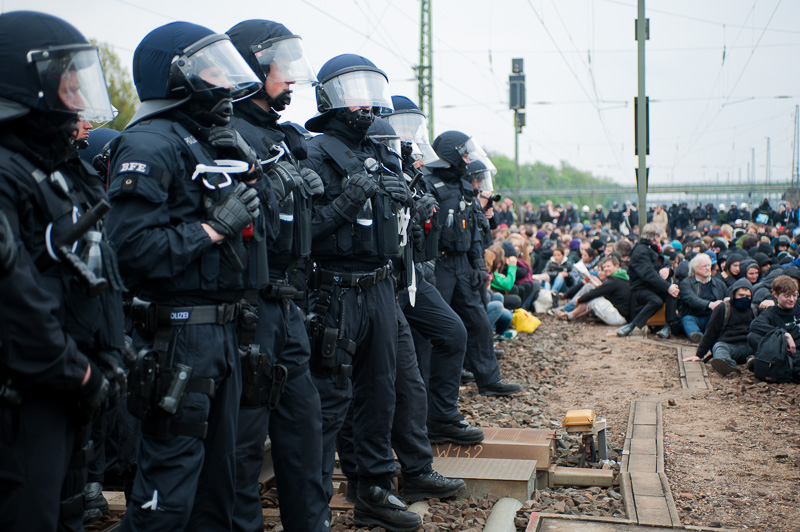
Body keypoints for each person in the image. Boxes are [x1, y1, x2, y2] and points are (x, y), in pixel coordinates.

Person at [106, 22, 264, 532]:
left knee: (217, 491)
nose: (225, 81)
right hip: (178, 335)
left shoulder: (204, 142)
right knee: (168, 495)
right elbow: (127, 251)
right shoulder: (148, 144)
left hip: (222, 331)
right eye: (212, 68)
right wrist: (212, 228)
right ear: (176, 76)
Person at [0, 11, 125, 531]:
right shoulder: (8, 172)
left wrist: (112, 353)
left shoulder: (48, 171)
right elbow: (14, 294)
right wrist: (78, 370)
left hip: (63, 390)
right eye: (66, 81)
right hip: (24, 398)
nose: (76, 95)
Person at [302, 53, 422, 531]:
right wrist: (349, 199)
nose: (369, 105)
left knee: (380, 394)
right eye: (356, 94)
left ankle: (373, 487)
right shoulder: (312, 154)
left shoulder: (377, 154)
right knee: (330, 401)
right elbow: (303, 233)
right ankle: (313, 504)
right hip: (334, 290)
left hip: (379, 287)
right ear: (330, 99)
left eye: (372, 93)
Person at [225, 20, 331, 532]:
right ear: (250, 67)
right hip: (246, 306)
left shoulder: (283, 137)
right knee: (244, 444)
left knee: (305, 435)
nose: (291, 80)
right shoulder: (224, 132)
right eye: (281, 69)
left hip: (287, 303)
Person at [383, 95, 484, 445]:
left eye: (414, 127)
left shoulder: (417, 174)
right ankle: (405, 434)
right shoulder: (375, 163)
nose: (410, 134)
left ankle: (441, 416)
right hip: (380, 279)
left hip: (411, 274)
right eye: (403, 126)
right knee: (401, 363)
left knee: (453, 332)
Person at [426, 130, 522, 397]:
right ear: (451, 154)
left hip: (463, 266)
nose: (468, 159)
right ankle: (436, 386)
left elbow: (475, 232)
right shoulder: (428, 184)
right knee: (440, 327)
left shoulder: (465, 188)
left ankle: (489, 380)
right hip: (439, 265)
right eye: (464, 153)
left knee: (479, 322)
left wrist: (479, 265)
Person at [616, 223, 679, 338]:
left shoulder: (653, 248)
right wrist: (667, 287)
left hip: (653, 287)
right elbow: (648, 274)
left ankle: (667, 327)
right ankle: (632, 325)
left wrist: (667, 270)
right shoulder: (641, 251)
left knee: (673, 292)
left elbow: (664, 264)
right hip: (641, 289)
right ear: (655, 237)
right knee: (658, 300)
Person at [687, 278, 756, 375]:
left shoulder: (754, 309)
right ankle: (728, 366)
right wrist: (699, 355)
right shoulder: (723, 308)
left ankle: (753, 362)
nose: (744, 298)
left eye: (748, 296)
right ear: (734, 294)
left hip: (748, 345)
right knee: (719, 347)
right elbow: (711, 332)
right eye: (741, 295)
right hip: (728, 345)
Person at [565, 256, 631, 325]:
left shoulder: (614, 281)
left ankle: (570, 315)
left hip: (619, 318)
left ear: (616, 267)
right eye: (604, 267)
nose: (606, 269)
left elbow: (594, 293)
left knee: (593, 299)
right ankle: (572, 314)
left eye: (609, 266)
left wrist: (579, 300)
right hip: (622, 316)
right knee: (591, 291)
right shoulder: (621, 277)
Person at [678, 253, 727, 343]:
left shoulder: (719, 284)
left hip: (711, 317)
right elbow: (691, 299)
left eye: (709, 265)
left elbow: (726, 298)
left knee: (716, 315)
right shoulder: (686, 283)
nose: (708, 268)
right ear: (695, 269)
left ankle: (710, 335)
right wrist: (709, 304)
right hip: (693, 316)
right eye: (704, 266)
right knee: (687, 319)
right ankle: (697, 336)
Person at [747, 275, 800, 354]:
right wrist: (784, 334)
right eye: (787, 296)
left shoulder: (798, 304)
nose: (792, 299)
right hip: (783, 349)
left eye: (795, 295)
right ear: (776, 295)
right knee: (753, 336)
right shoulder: (770, 312)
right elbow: (755, 325)